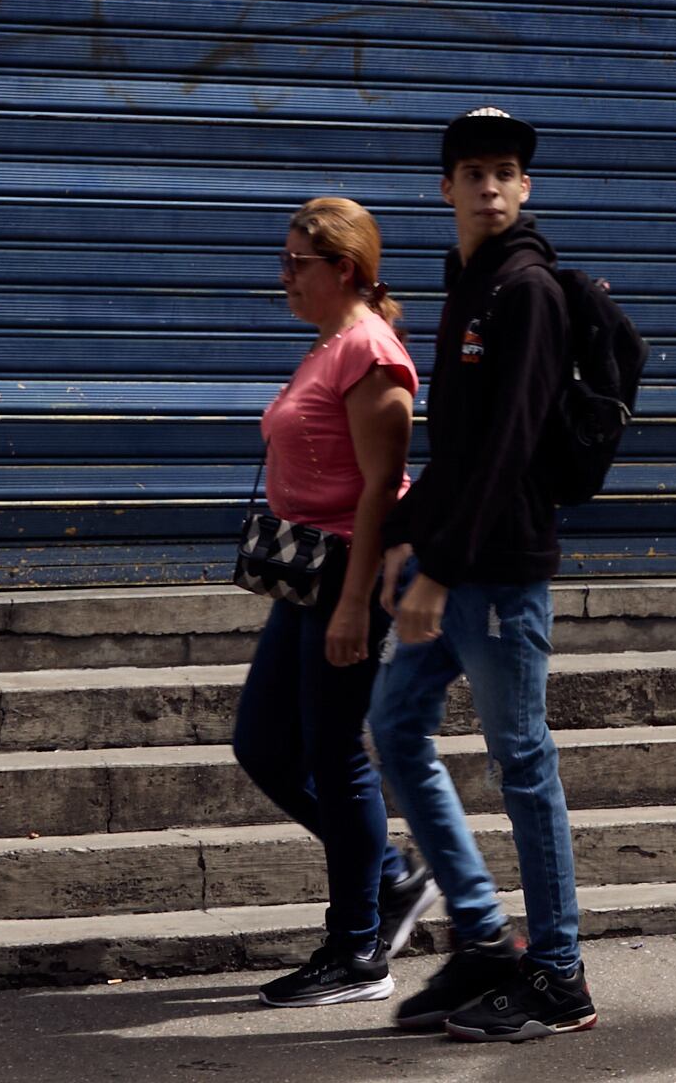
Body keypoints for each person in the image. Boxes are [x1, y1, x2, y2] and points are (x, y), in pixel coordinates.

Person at [367, 105, 594, 1041]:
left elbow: (508, 450)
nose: (491, 188)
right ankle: (483, 939)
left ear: (525, 187)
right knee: (393, 724)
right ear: (447, 186)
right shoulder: (467, 283)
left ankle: (559, 975)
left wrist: (438, 571)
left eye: (506, 173)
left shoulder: (526, 290)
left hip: (495, 575)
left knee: (524, 762)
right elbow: (455, 448)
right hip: (450, 561)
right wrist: (400, 537)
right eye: (474, 173)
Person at [237, 196, 434, 1008]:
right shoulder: (327, 345)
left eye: (298, 262)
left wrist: (355, 607)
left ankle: (357, 951)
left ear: (344, 269)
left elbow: (382, 495)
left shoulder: (370, 356)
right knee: (263, 744)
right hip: (312, 576)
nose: (284, 275)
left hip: (352, 579)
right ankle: (388, 879)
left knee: (334, 754)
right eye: (283, 258)